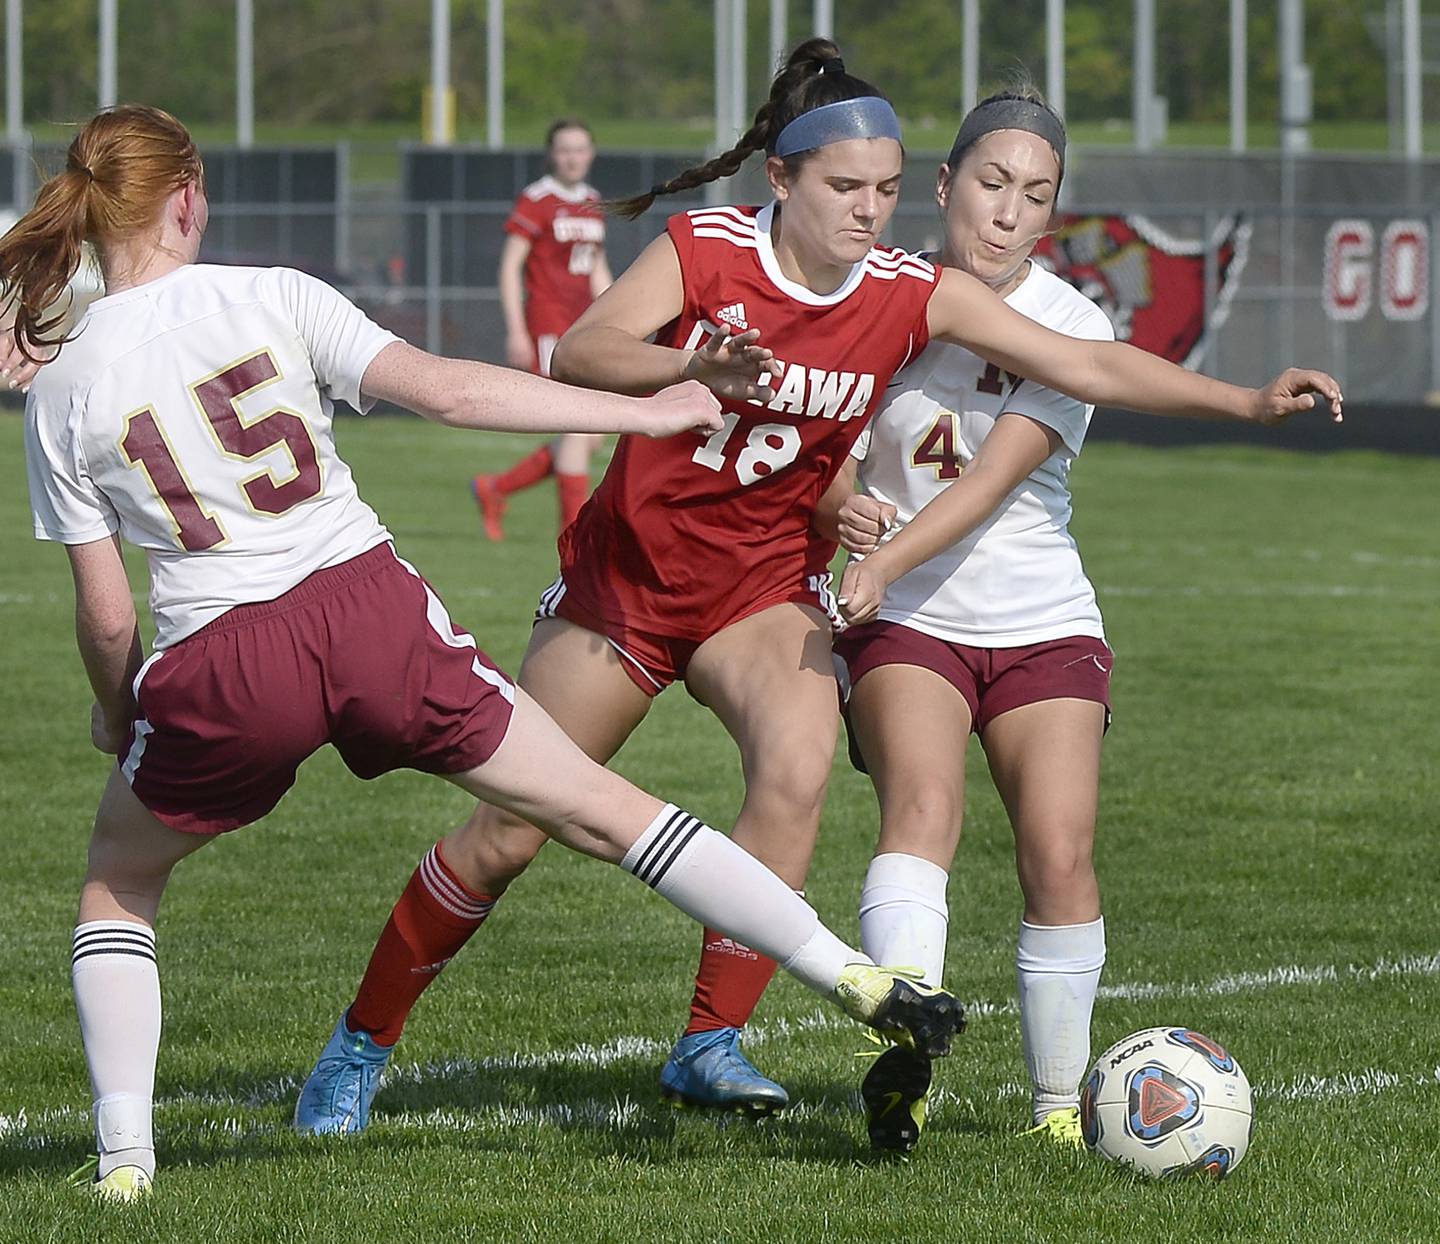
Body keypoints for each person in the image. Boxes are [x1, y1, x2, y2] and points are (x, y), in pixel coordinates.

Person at [295, 39, 1340, 1135]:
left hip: (759, 591)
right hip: (628, 589)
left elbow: (1086, 363)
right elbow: (582, 351)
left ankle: (710, 1040)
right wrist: (690, 364)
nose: (870, 211)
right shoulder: (704, 249)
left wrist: (1247, 399)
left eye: (887, 190)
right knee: (507, 832)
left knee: (797, 766)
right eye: (846, 187)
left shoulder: (907, 291)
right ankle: (360, 1041)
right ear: (781, 181)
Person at [13, 103, 965, 1199]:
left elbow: (105, 614)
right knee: (602, 808)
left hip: (224, 658)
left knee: (120, 884)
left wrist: (118, 709)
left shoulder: (67, 384)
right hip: (368, 611)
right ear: (187, 198)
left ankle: (126, 1166)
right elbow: (457, 390)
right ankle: (845, 972)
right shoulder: (271, 291)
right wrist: (652, 412)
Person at [814, 86, 1131, 1154]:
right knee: (924, 806)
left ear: (1052, 214)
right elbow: (812, 453)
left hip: (1042, 616)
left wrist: (881, 547)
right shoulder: (867, 295)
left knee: (1059, 848)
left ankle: (1056, 1111)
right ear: (944, 186)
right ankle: (902, 1055)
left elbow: (993, 480)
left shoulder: (1073, 324)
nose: (1007, 213)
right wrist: (840, 501)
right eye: (991, 184)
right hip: (907, 616)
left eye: (1035, 196)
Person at [471, 119, 613, 539]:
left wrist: (617, 321)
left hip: (583, 324)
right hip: (550, 325)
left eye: (580, 149)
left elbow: (597, 268)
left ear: (591, 154)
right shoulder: (537, 200)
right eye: (565, 149)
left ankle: (494, 487)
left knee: (590, 437)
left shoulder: (592, 200)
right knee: (576, 425)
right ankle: (573, 541)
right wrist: (516, 329)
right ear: (552, 154)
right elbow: (510, 266)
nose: (573, 157)